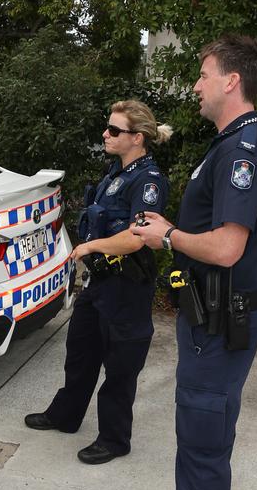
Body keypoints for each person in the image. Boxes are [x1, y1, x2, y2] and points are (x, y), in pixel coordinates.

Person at [125, 36, 257, 490]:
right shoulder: (235, 142)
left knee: (203, 435)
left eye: (203, 74)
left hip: (219, 319)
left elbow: (227, 247)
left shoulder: (243, 151)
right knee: (206, 430)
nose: (196, 84)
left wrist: (165, 235)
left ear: (231, 81)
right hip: (211, 315)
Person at [25, 100, 171, 464]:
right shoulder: (115, 172)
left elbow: (139, 236)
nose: (105, 134)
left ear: (137, 138)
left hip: (127, 286)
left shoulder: (148, 181)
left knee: (120, 368)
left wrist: (88, 246)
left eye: (114, 130)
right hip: (101, 282)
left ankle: (114, 439)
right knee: (80, 351)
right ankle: (66, 415)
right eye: (108, 128)